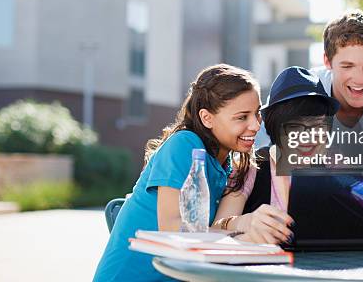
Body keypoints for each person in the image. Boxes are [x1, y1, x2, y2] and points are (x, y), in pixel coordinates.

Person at [93, 64, 263, 282]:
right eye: (242, 117)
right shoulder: (184, 144)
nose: (256, 125)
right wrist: (239, 225)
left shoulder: (231, 165)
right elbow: (174, 231)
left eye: (257, 114)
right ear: (207, 118)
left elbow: (216, 239)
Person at [256, 11, 363, 212]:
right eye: (347, 66)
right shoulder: (308, 87)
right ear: (327, 61)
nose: (359, 79)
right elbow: (263, 145)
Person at [211, 66, 340, 245]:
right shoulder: (252, 166)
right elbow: (215, 229)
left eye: (318, 125)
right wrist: (246, 225)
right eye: (294, 126)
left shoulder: (337, 168)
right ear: (275, 127)